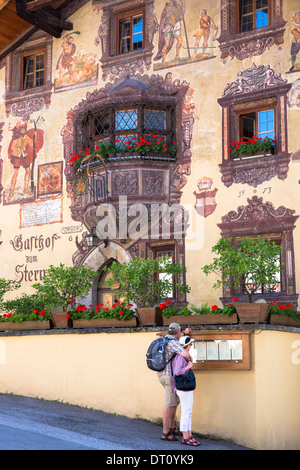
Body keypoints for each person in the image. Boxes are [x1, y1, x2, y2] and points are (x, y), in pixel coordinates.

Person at [157, 322, 192, 441]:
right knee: (169, 403)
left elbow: (177, 335)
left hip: (161, 374)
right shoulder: (173, 342)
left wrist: (184, 333)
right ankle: (165, 433)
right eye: (180, 332)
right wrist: (189, 356)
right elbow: (185, 354)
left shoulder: (164, 339)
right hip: (169, 376)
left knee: (174, 401)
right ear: (177, 332)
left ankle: (171, 427)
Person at [173, 336, 200, 446]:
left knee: (188, 412)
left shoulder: (183, 356)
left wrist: (189, 361)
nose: (191, 346)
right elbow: (177, 372)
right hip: (183, 387)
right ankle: (185, 436)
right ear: (187, 346)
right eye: (190, 344)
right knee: (186, 412)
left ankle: (189, 435)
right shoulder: (180, 357)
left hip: (185, 387)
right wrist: (189, 366)